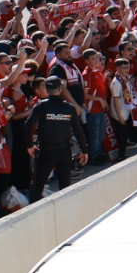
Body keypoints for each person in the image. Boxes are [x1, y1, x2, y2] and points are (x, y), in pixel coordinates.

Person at [26, 75, 88, 204]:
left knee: (37, 187)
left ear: (47, 89)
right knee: (65, 187)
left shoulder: (41, 106)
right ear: (60, 89)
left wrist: (29, 145)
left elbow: (28, 125)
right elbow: (78, 131)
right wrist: (84, 150)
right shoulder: (69, 108)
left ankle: (32, 212)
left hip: (46, 151)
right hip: (64, 151)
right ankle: (65, 210)